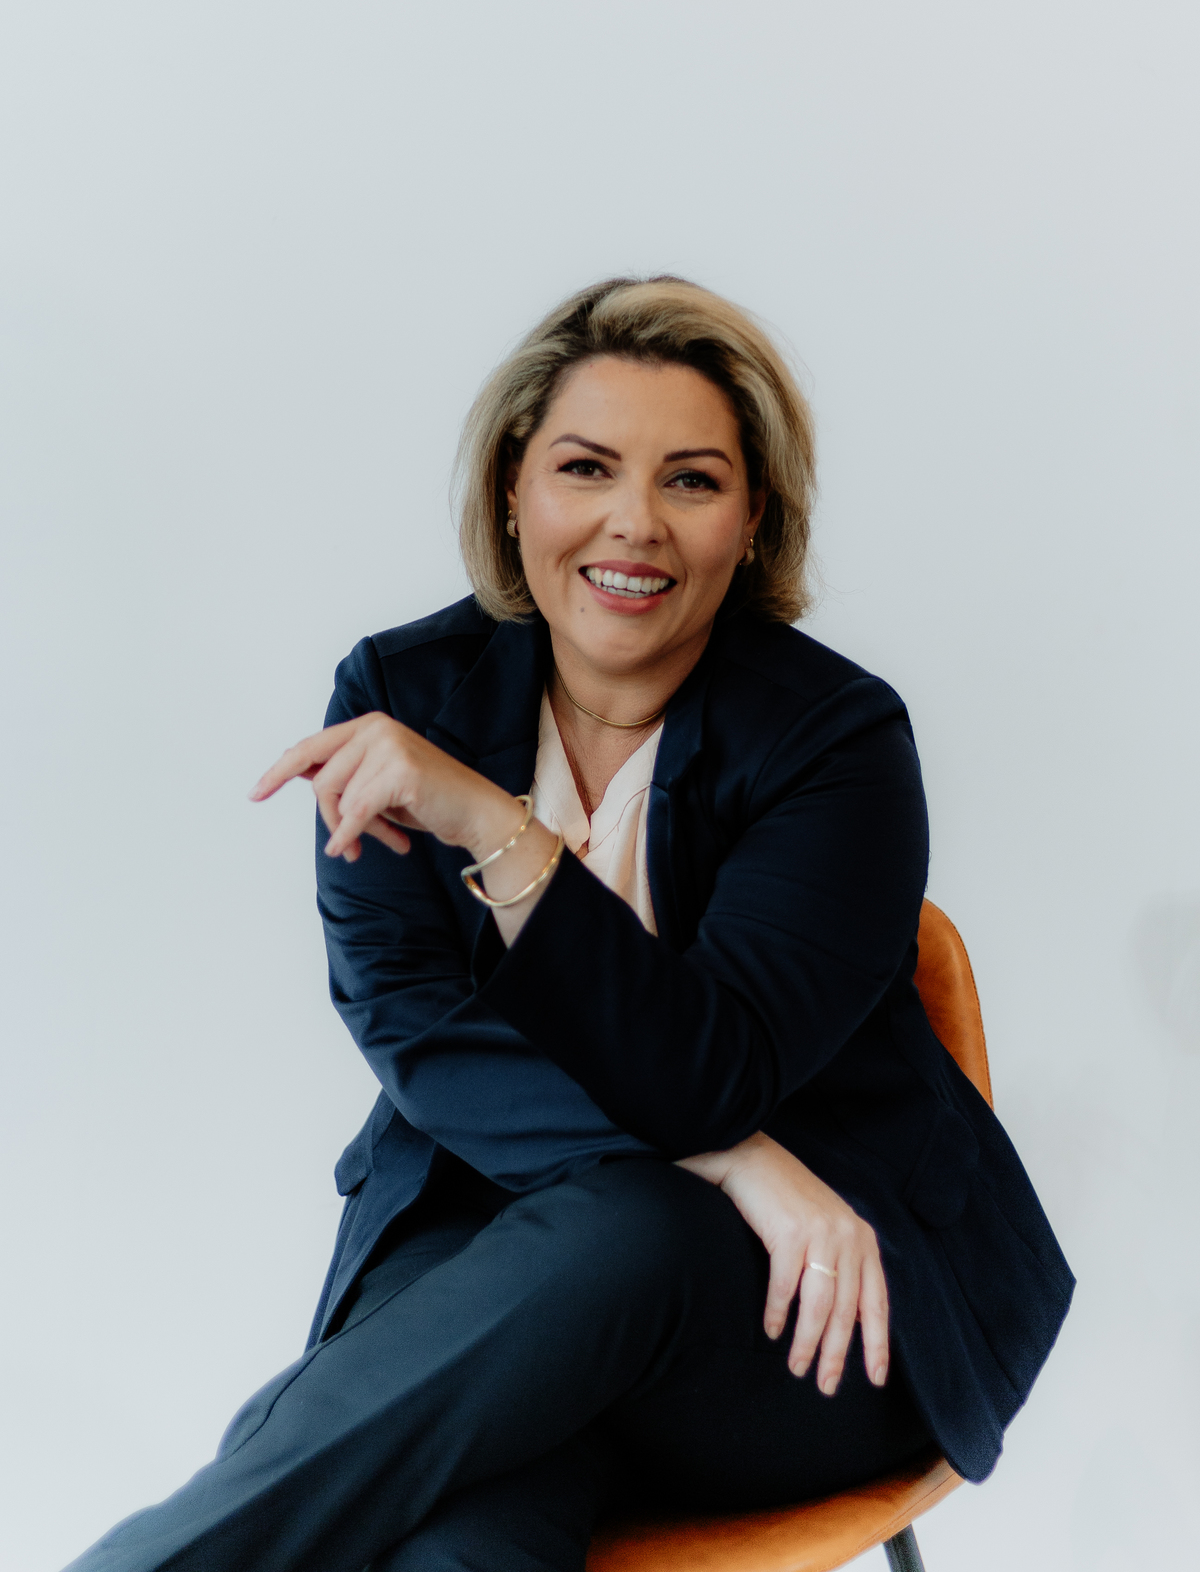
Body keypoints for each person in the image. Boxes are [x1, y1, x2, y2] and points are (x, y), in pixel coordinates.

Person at [68, 277, 1073, 1572]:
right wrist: (733, 1163)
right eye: (585, 467)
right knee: (465, 1528)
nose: (633, 522)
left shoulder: (837, 741)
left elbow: (713, 1071)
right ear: (512, 491)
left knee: (614, 1244)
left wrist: (493, 826)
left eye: (692, 480)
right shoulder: (402, 693)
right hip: (502, 1271)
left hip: (799, 1308)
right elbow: (421, 1037)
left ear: (754, 520)